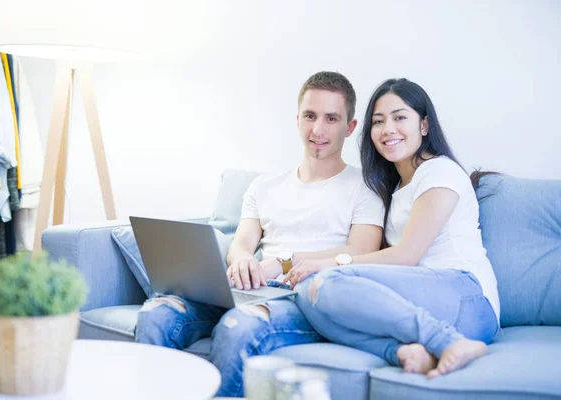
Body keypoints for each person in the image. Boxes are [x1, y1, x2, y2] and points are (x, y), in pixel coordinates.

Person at [135, 71, 385, 396]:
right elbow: (241, 245)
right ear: (297, 119)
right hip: (250, 289)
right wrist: (241, 263)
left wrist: (280, 264)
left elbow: (360, 255)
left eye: (331, 119)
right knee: (157, 312)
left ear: (349, 127)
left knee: (237, 327)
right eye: (310, 116)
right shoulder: (264, 186)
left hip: (304, 299)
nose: (317, 129)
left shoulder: (365, 188)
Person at [286, 78, 500, 379]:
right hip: (425, 303)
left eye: (400, 117)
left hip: (467, 298)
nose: (388, 129)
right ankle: (402, 352)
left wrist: (328, 264)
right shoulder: (394, 188)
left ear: (424, 126)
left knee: (327, 282)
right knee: (308, 293)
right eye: (378, 121)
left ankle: (451, 342)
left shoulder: (440, 172)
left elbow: (406, 256)